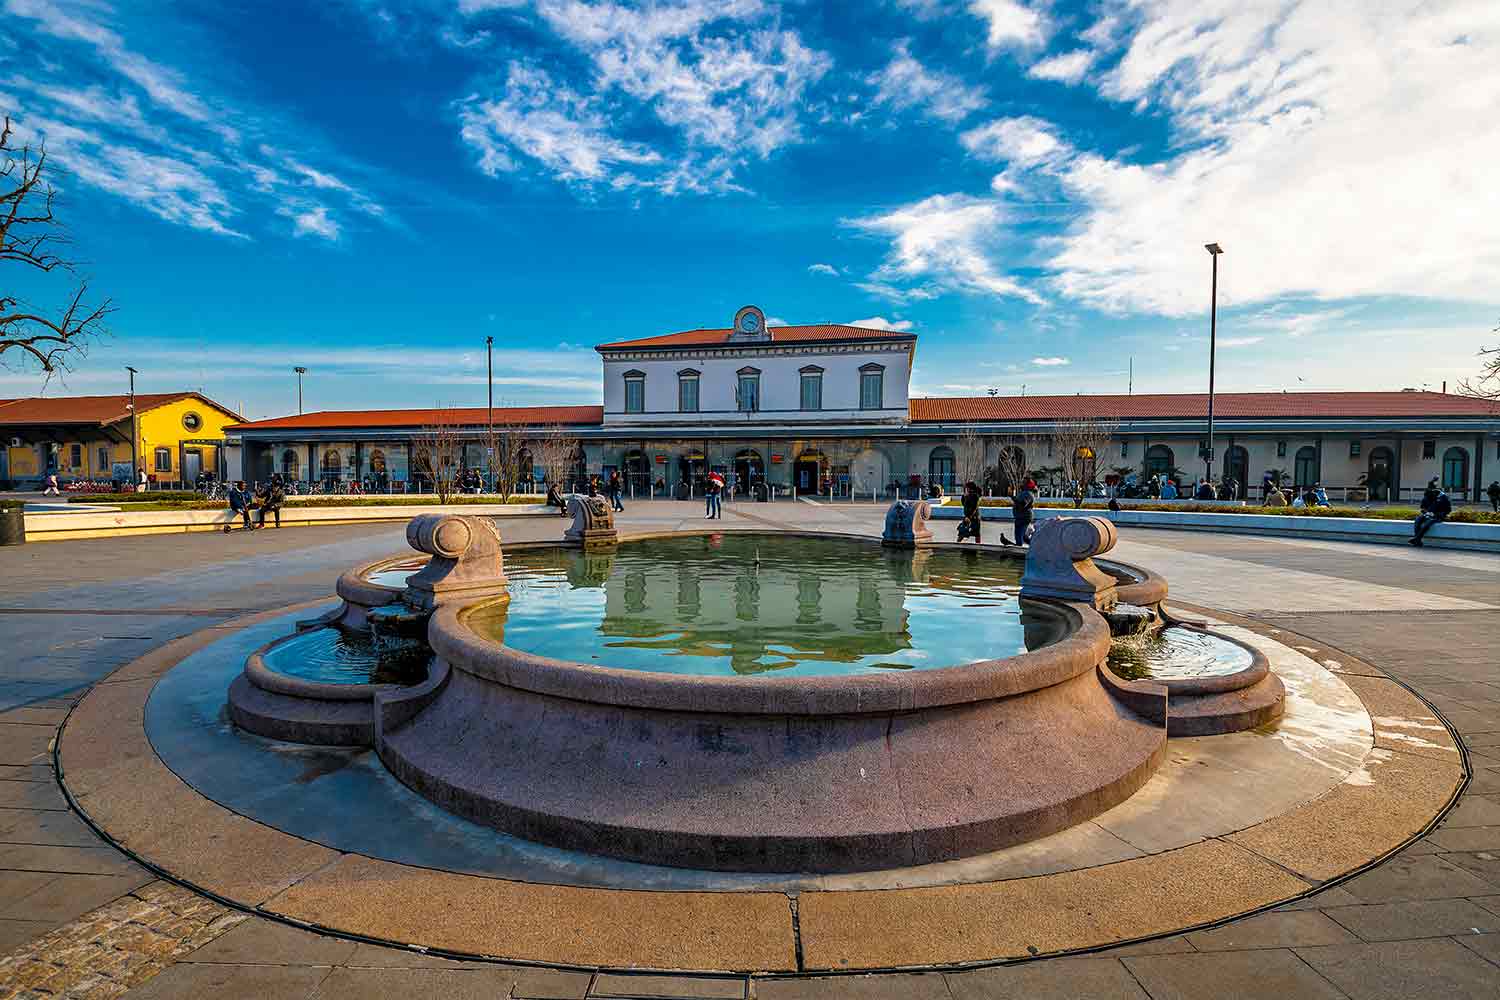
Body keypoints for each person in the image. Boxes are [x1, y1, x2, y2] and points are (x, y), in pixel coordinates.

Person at [1411, 479, 1451, 546]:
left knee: (1428, 522)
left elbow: (1448, 510)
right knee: (1418, 519)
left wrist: (1435, 514)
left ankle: (1417, 539)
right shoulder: (1427, 496)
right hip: (1428, 514)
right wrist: (1426, 512)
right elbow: (1422, 508)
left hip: (1438, 516)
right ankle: (1417, 540)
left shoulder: (1444, 497)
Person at [1004, 477, 1036, 546]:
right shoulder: (1023, 493)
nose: (1022, 483)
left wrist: (1012, 497)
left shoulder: (1028, 494)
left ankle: (1030, 547)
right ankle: (1033, 546)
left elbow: (1023, 504)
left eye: (1024, 482)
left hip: (1023, 518)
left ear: (1027, 485)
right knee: (1022, 536)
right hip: (1020, 517)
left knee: (1020, 536)